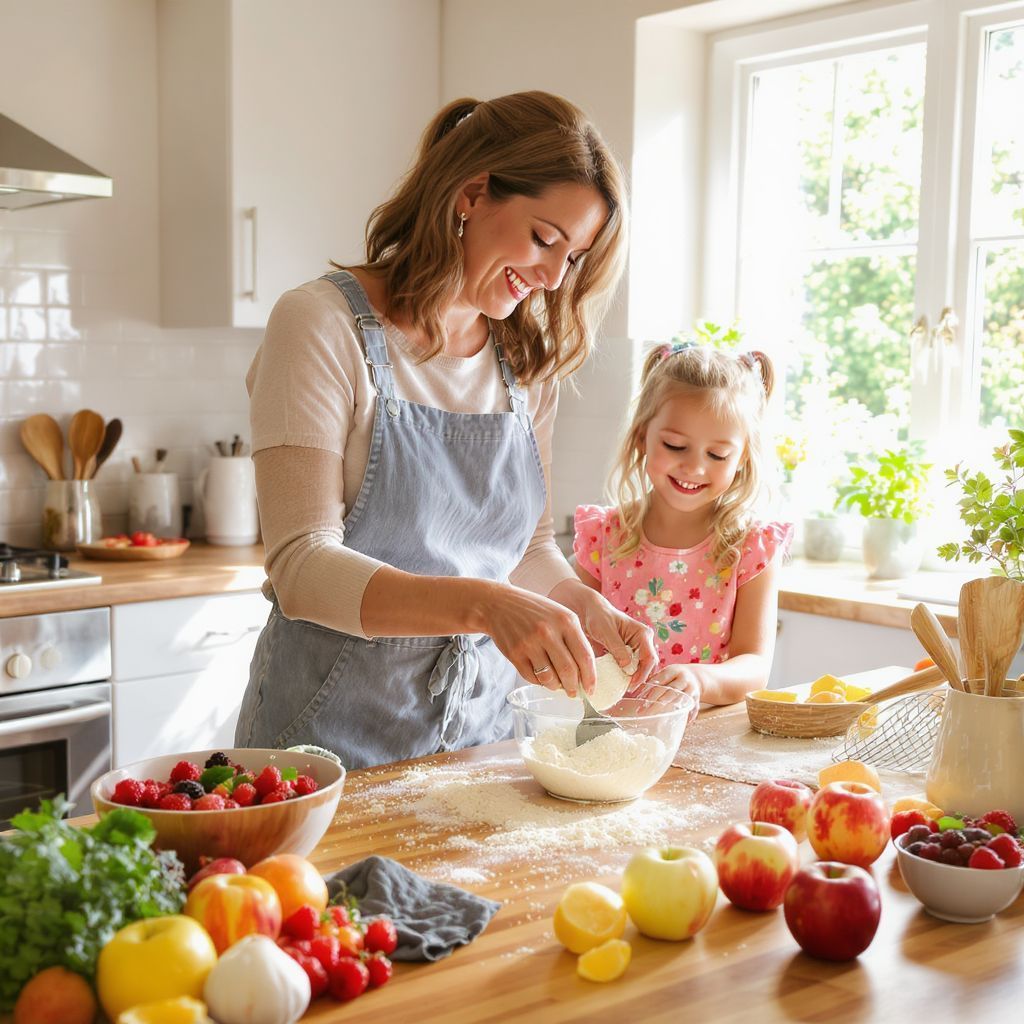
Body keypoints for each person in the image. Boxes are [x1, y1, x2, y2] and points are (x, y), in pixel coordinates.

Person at [235, 91, 657, 770]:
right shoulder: (319, 324)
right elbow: (302, 567)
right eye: (545, 238)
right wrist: (486, 607)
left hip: (477, 742)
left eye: (572, 256)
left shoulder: (525, 363)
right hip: (321, 749)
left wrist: (582, 605)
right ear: (471, 195)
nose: (552, 277)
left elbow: (525, 548)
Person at [572, 342, 793, 712]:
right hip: (610, 732)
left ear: (742, 459)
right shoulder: (602, 537)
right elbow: (578, 644)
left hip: (706, 735)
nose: (694, 467)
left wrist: (699, 679)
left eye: (717, 454)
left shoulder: (752, 548)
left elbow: (754, 665)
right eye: (675, 446)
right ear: (642, 436)